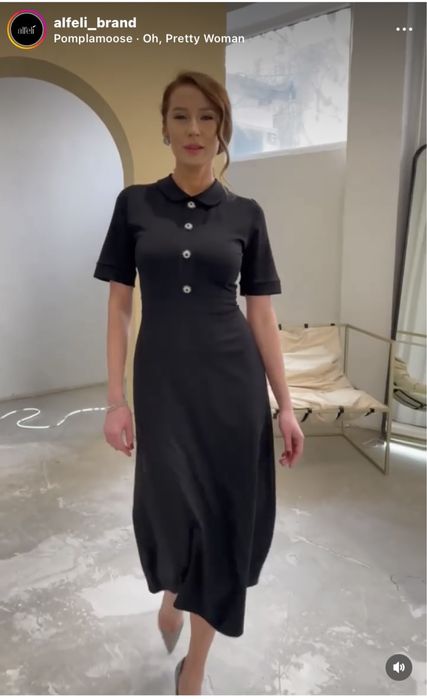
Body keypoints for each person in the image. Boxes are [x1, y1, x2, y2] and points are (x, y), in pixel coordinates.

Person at [93, 70, 304, 695]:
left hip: (232, 387)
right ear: (164, 127)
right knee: (170, 509)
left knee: (223, 519)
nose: (194, 129)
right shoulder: (134, 204)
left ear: (222, 129)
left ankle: (195, 669)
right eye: (181, 116)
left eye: (207, 117)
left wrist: (285, 405)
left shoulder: (246, 214)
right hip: (163, 386)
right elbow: (119, 306)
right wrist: (115, 399)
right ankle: (173, 594)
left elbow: (260, 314)